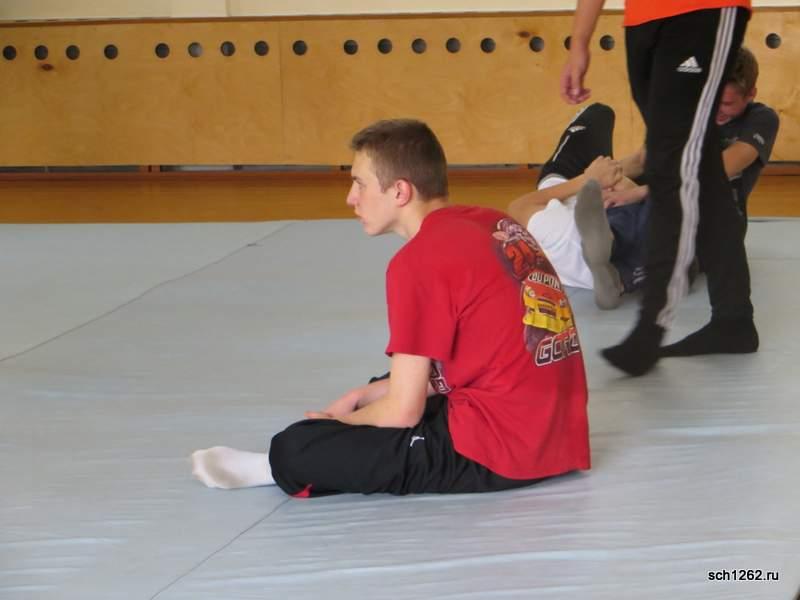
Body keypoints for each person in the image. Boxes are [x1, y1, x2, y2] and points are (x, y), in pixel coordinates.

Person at [191, 119, 590, 497]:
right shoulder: (495, 222)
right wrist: (365, 394)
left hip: (506, 453)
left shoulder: (417, 261)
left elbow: (403, 411)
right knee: (386, 383)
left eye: (359, 184)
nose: (351, 198)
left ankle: (272, 467)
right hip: (559, 434)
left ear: (400, 191)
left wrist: (341, 424)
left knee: (296, 447)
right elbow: (480, 353)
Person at [561, 0, 757, 376]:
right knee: (700, 168)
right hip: (643, 18)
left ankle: (650, 327)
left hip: (702, 10)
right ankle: (733, 319)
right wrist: (580, 40)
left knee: (671, 165)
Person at [511, 46, 778, 312]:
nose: (716, 110)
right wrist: (600, 177)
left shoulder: (761, 119)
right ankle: (626, 267)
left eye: (727, 104)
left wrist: (632, 191)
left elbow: (716, 171)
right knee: (604, 143)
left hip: (704, 227)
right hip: (652, 215)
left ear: (750, 94)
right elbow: (642, 161)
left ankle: (634, 260)